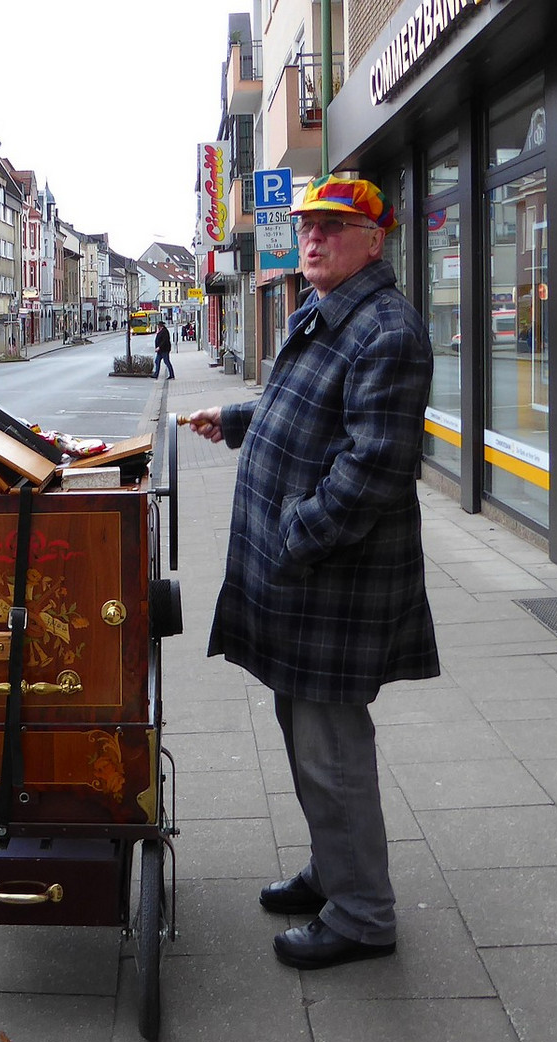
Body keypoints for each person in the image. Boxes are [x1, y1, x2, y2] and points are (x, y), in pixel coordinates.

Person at [183, 175, 439, 971]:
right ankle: (335, 871)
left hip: (334, 583)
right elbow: (301, 404)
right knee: (303, 734)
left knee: (331, 750)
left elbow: (373, 470)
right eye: (309, 226)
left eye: (334, 226)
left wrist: (295, 534)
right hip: (306, 582)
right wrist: (235, 421)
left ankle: (364, 914)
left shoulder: (387, 331)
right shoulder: (327, 314)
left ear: (375, 239)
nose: (315, 238)